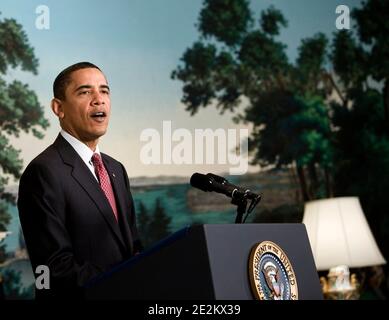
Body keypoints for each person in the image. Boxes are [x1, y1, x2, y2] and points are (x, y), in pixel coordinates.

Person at [17, 62, 142, 299]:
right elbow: (54, 268)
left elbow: (133, 247)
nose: (99, 99)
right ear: (58, 108)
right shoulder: (43, 172)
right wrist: (125, 280)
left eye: (104, 91)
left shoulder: (116, 169)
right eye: (85, 92)